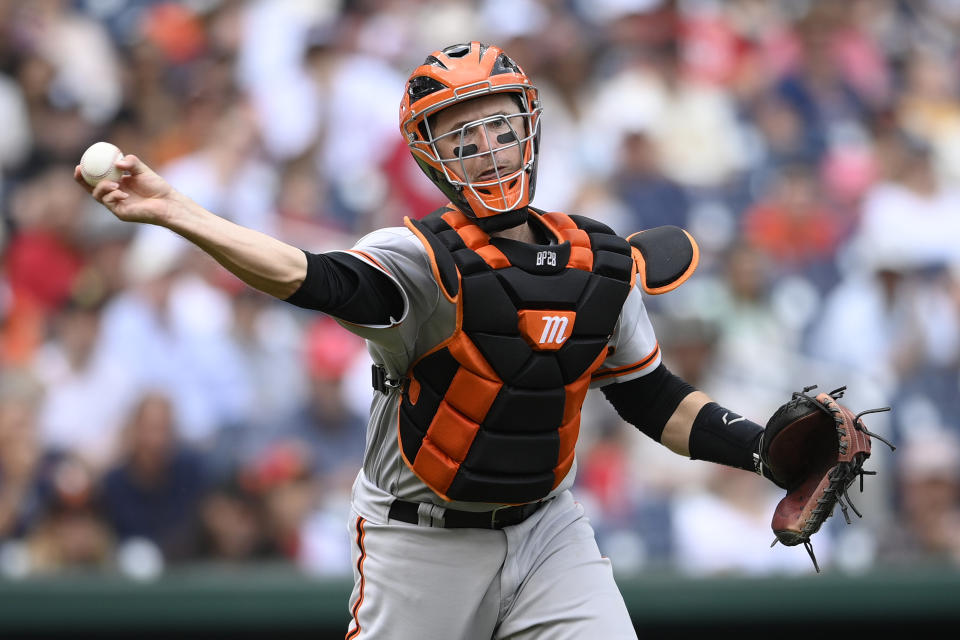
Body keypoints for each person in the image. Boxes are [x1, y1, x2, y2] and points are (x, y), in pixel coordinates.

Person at [76, 41, 793, 639]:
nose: (487, 150)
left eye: (501, 128)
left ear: (531, 128)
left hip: (549, 532)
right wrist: (177, 210)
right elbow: (309, 276)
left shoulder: (596, 261)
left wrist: (764, 449)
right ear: (430, 156)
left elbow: (650, 397)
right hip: (418, 542)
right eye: (462, 137)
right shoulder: (418, 256)